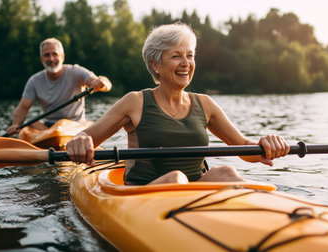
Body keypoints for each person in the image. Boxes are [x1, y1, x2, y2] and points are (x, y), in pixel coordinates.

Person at [66, 22, 290, 185]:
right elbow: (84, 138)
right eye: (176, 56)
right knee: (176, 178)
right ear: (155, 64)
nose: (186, 64)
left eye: (190, 56)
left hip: (194, 193)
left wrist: (265, 147)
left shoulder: (205, 104)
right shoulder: (135, 102)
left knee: (226, 172)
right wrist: (79, 144)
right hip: (144, 195)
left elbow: (242, 146)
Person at [6, 38, 111, 136]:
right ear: (41, 58)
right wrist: (16, 124)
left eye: (55, 54)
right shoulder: (34, 80)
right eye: (47, 55)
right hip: (48, 126)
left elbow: (102, 83)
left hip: (76, 124)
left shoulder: (76, 72)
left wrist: (101, 83)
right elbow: (22, 108)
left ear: (62, 57)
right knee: (29, 123)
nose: (51, 59)